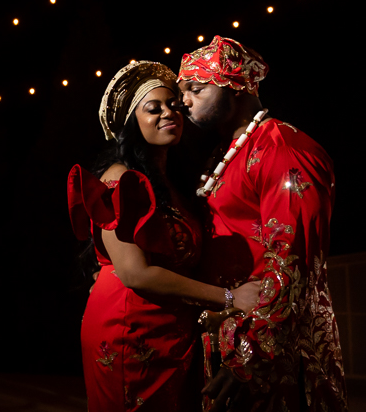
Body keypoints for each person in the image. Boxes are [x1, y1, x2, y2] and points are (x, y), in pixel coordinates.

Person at [68, 60, 260, 412]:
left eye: (173, 104)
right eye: (152, 109)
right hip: (129, 327)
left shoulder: (173, 183)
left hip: (169, 331)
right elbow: (134, 273)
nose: (169, 113)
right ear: (131, 122)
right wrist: (229, 297)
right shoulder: (119, 177)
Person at [177, 36, 347, 412]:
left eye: (196, 89)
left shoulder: (282, 149)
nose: (185, 101)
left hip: (271, 353)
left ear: (234, 86)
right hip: (229, 338)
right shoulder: (229, 152)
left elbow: (293, 260)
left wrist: (248, 358)